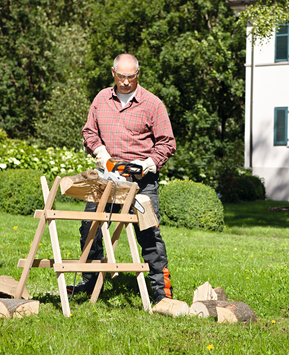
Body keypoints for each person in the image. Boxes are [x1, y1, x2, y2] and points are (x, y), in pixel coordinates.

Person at [67, 53, 176, 304]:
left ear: (138, 74)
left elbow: (167, 143)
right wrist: (100, 151)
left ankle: (162, 292)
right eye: (121, 76)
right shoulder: (101, 99)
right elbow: (89, 132)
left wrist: (149, 163)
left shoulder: (152, 104)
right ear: (113, 73)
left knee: (149, 232)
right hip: (106, 178)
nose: (126, 82)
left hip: (140, 182)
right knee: (89, 227)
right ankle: (90, 281)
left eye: (131, 76)